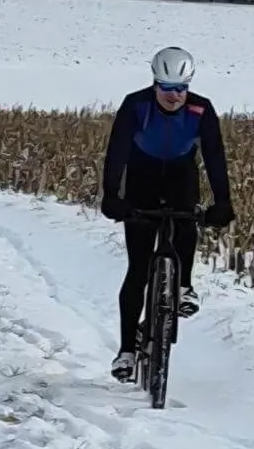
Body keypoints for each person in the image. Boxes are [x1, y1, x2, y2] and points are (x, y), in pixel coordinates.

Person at [99, 45, 236, 381]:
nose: (174, 97)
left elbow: (215, 157)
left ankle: (184, 285)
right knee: (138, 269)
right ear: (154, 83)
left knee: (186, 222)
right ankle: (127, 351)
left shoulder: (201, 110)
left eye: (180, 89)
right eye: (166, 88)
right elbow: (117, 152)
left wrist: (223, 202)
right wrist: (111, 196)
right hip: (142, 177)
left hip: (180, 175)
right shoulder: (136, 105)